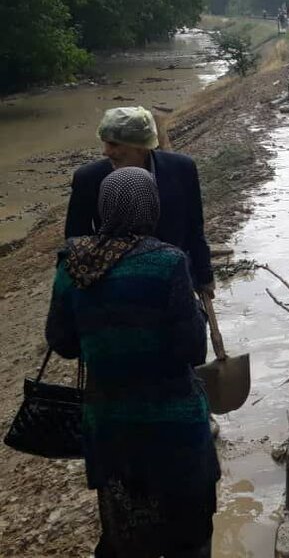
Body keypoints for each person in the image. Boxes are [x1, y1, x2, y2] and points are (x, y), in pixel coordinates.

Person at [46, 167, 220, 557]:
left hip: (109, 427)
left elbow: (62, 342)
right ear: (151, 209)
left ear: (102, 209)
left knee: (125, 533)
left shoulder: (71, 263)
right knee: (189, 534)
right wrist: (200, 315)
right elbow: (193, 350)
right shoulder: (168, 262)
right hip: (174, 424)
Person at [64, 107, 215, 307]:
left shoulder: (181, 169)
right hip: (115, 284)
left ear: (141, 147)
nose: (106, 151)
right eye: (105, 143)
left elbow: (195, 227)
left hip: (174, 278)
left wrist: (204, 276)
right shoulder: (89, 179)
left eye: (114, 144)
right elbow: (75, 239)